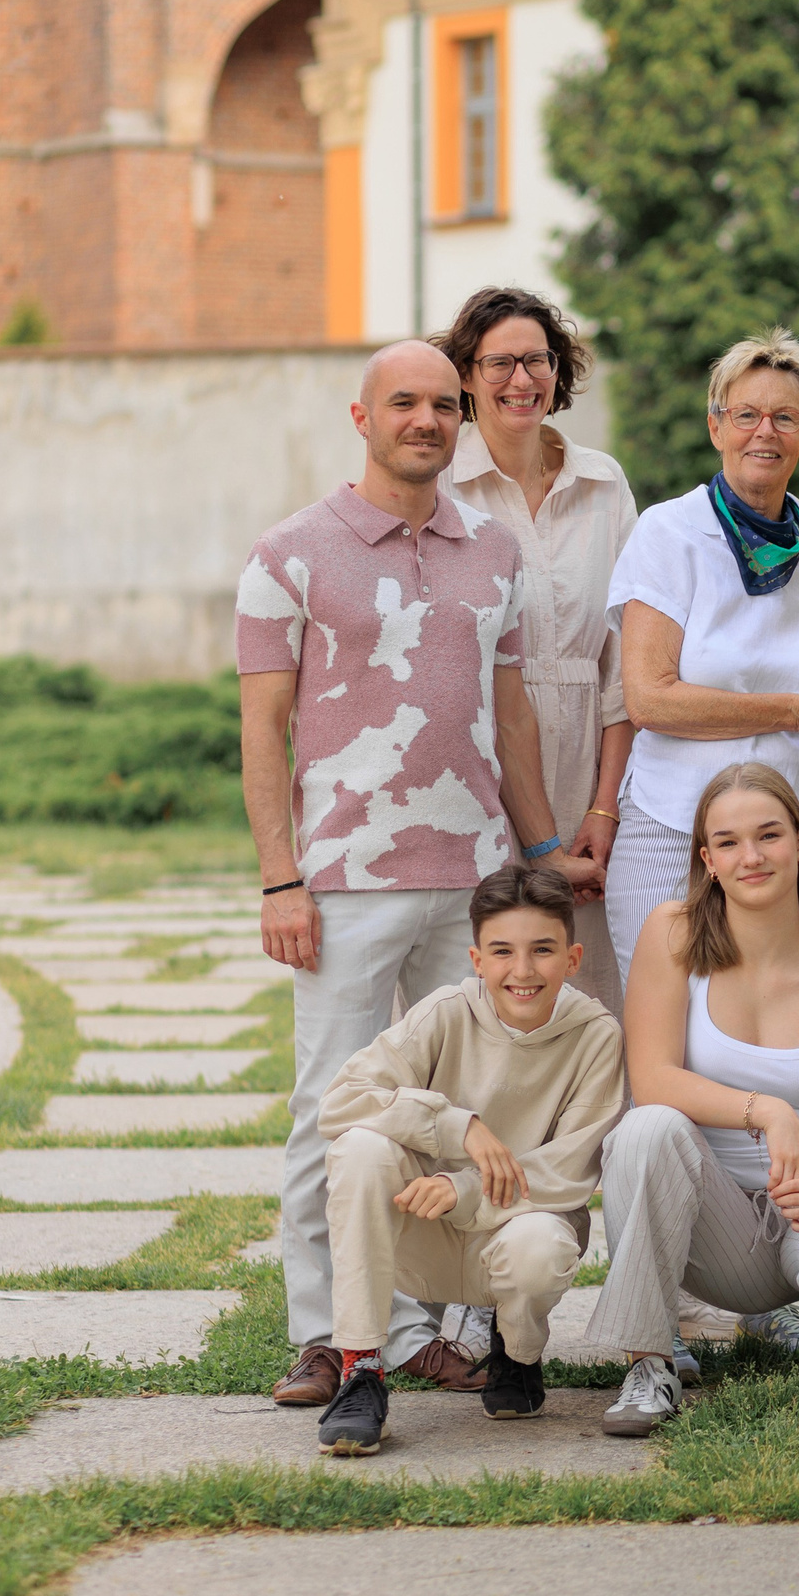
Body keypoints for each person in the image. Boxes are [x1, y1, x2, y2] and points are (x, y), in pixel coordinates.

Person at [239, 340, 600, 1407]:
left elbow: (512, 716)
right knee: (335, 1107)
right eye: (405, 402)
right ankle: (326, 1333)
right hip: (344, 878)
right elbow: (262, 726)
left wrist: (541, 854)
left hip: (479, 878)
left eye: (445, 404)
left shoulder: (493, 550)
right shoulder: (289, 552)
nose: (427, 420)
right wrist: (279, 877)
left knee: (463, 1104)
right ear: (363, 417)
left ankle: (432, 1327)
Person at [588, 764, 799, 1434]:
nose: (752, 856)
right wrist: (768, 1110)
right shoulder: (674, 934)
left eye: (768, 835)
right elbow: (652, 1078)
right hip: (714, 1229)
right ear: (707, 861)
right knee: (645, 1128)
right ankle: (650, 1365)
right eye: (729, 842)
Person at [311, 863, 625, 1455]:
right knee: (360, 1148)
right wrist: (457, 1126)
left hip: (511, 1233)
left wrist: (466, 1187)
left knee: (542, 1247)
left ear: (573, 958)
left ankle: (517, 1350)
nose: (522, 971)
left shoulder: (596, 1035)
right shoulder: (446, 1011)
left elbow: (570, 1170)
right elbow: (342, 1101)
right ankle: (361, 1370)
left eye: (543, 950)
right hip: (420, 1230)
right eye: (502, 952)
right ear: (477, 959)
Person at [605, 330, 799, 990]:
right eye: (746, 415)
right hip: (674, 826)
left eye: (785, 417)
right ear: (716, 427)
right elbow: (650, 699)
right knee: (665, 1021)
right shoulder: (668, 532)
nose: (765, 432)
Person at [435, 286, 637, 1008]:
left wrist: (604, 810)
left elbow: (624, 662)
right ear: (466, 375)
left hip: (591, 762)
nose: (521, 380)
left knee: (592, 982)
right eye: (499, 363)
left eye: (537, 360)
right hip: (477, 769)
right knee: (484, 983)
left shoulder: (604, 483)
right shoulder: (441, 488)